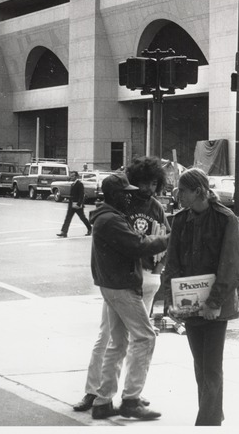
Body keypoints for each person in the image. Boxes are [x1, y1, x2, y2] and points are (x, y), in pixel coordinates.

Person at [74, 172, 169, 421]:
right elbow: (138, 245)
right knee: (146, 337)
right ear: (116, 196)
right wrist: (169, 239)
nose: (130, 197)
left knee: (118, 343)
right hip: (121, 287)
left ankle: (104, 401)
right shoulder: (111, 220)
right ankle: (131, 400)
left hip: (113, 285)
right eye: (126, 194)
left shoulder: (109, 217)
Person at [162, 168, 239, 426]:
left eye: (182, 190)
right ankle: (212, 411)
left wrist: (214, 302)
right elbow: (172, 262)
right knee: (200, 366)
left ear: (198, 191)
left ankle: (208, 422)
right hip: (189, 305)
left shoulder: (225, 219)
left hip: (215, 307)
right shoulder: (180, 220)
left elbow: (232, 265)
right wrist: (170, 301)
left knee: (211, 367)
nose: (178, 195)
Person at [124, 157, 173, 326]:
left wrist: (158, 269)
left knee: (141, 327)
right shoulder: (124, 203)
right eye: (145, 183)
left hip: (148, 272)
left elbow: (169, 240)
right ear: (135, 181)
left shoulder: (156, 207)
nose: (149, 188)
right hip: (126, 275)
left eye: (153, 184)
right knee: (125, 330)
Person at [58, 171, 92, 237]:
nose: (71, 177)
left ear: (76, 176)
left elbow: (81, 195)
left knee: (82, 217)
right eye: (71, 176)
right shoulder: (73, 184)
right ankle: (64, 232)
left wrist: (79, 204)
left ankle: (90, 228)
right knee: (68, 218)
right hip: (71, 203)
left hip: (77, 204)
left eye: (73, 176)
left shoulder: (79, 184)